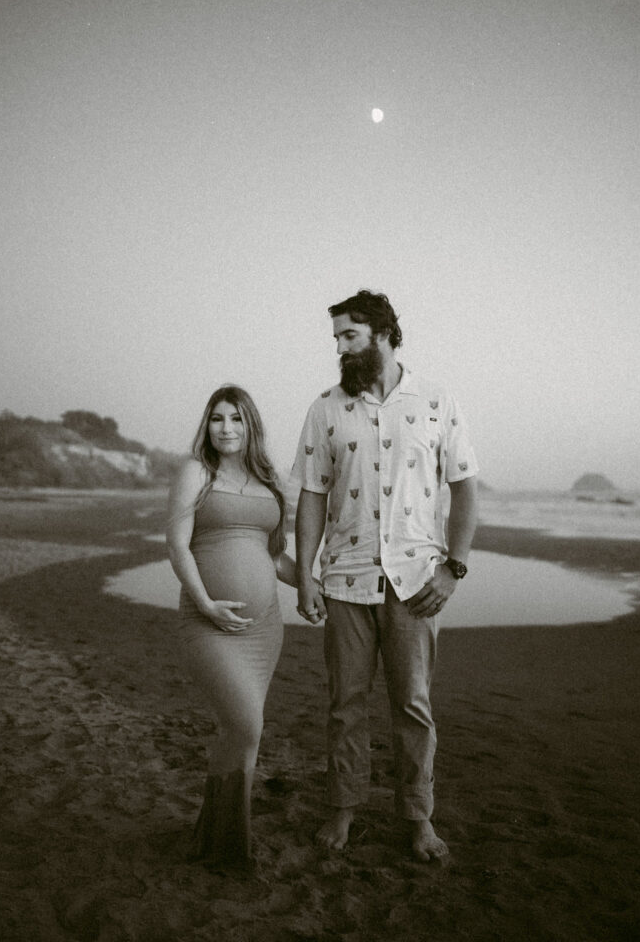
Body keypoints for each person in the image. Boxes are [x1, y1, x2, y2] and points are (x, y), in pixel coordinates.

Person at [293, 290, 478, 862]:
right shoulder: (325, 408)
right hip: (344, 580)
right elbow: (310, 495)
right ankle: (343, 809)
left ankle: (418, 818)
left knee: (413, 706)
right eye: (337, 339)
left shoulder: (436, 399)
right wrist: (304, 575)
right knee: (345, 703)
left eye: (350, 335)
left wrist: (454, 567)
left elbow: (465, 487)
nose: (341, 348)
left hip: (416, 583)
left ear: (383, 334)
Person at [166, 384, 300, 873]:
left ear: (251, 426)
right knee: (246, 725)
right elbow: (178, 544)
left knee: (236, 732)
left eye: (237, 419)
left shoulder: (270, 481)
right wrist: (205, 604)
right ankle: (230, 845)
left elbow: (274, 556)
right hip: (208, 622)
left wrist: (312, 587)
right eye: (218, 418)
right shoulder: (196, 472)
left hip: (264, 629)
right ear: (208, 424)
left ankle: (213, 835)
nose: (226, 428)